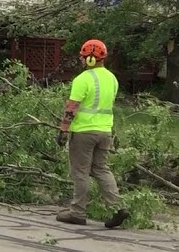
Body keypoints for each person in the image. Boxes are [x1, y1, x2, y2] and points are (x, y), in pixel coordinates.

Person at [55, 38, 129, 228]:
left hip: (83, 132)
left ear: (90, 59)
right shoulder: (112, 79)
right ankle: (118, 207)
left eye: (83, 57)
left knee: (80, 172)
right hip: (105, 131)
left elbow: (72, 107)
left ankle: (77, 212)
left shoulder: (83, 79)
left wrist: (63, 129)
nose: (81, 60)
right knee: (102, 169)